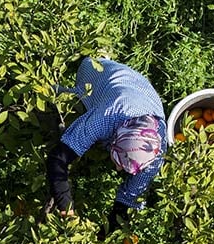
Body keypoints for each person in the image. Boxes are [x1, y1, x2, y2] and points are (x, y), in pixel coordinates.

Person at [45, 57, 168, 230]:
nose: (118, 169)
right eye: (119, 162)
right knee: (57, 102)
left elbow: (129, 198)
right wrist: (66, 208)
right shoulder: (106, 117)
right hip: (96, 75)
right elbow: (57, 159)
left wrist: (110, 232)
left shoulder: (156, 150)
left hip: (140, 90)